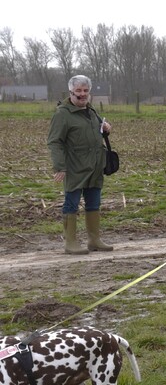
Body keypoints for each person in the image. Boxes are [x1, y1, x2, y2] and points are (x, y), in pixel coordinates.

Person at [47, 75, 114, 255]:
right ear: (71, 92)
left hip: (95, 167)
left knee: (94, 203)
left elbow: (96, 132)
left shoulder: (91, 112)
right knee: (72, 204)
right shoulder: (62, 114)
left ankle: (94, 240)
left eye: (85, 91)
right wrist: (60, 167)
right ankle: (71, 242)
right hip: (74, 167)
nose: (82, 94)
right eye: (78, 91)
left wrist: (105, 127)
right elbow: (54, 142)